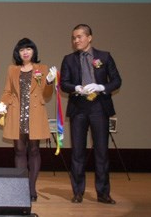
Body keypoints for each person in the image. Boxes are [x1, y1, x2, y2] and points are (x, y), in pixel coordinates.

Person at [60, 24, 122, 205]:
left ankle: (103, 193)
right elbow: (64, 83)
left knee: (101, 152)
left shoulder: (104, 56)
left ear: (89, 37)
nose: (76, 40)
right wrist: (76, 87)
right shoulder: (69, 59)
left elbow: (117, 80)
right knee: (78, 153)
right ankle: (78, 192)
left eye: (79, 37)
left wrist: (102, 87)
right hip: (78, 108)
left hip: (99, 108)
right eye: (74, 38)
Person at [0, 38, 55, 202]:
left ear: (34, 51)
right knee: (19, 151)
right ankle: (22, 187)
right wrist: (2, 105)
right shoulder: (12, 70)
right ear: (18, 52)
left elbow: (46, 94)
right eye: (22, 49)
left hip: (35, 114)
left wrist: (49, 82)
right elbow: (7, 91)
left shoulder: (42, 69)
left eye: (29, 49)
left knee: (35, 151)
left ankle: (31, 188)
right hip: (17, 114)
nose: (26, 52)